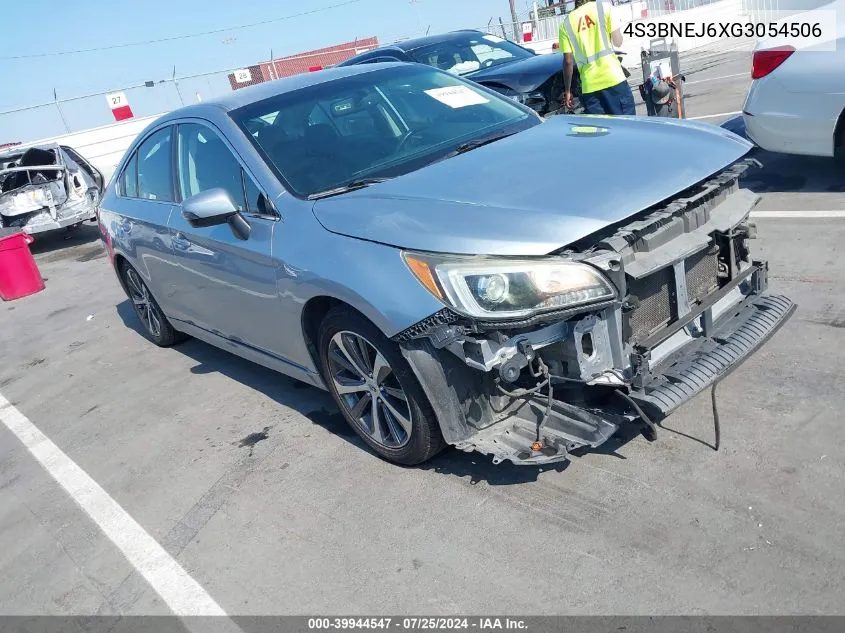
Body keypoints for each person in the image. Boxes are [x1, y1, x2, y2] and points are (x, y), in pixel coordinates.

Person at [559, 0, 635, 115]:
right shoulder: (605, 8)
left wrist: (568, 90)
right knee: (628, 128)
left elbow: (568, 61)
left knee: (602, 130)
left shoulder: (566, 23)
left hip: (590, 87)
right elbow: (618, 41)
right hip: (614, 79)